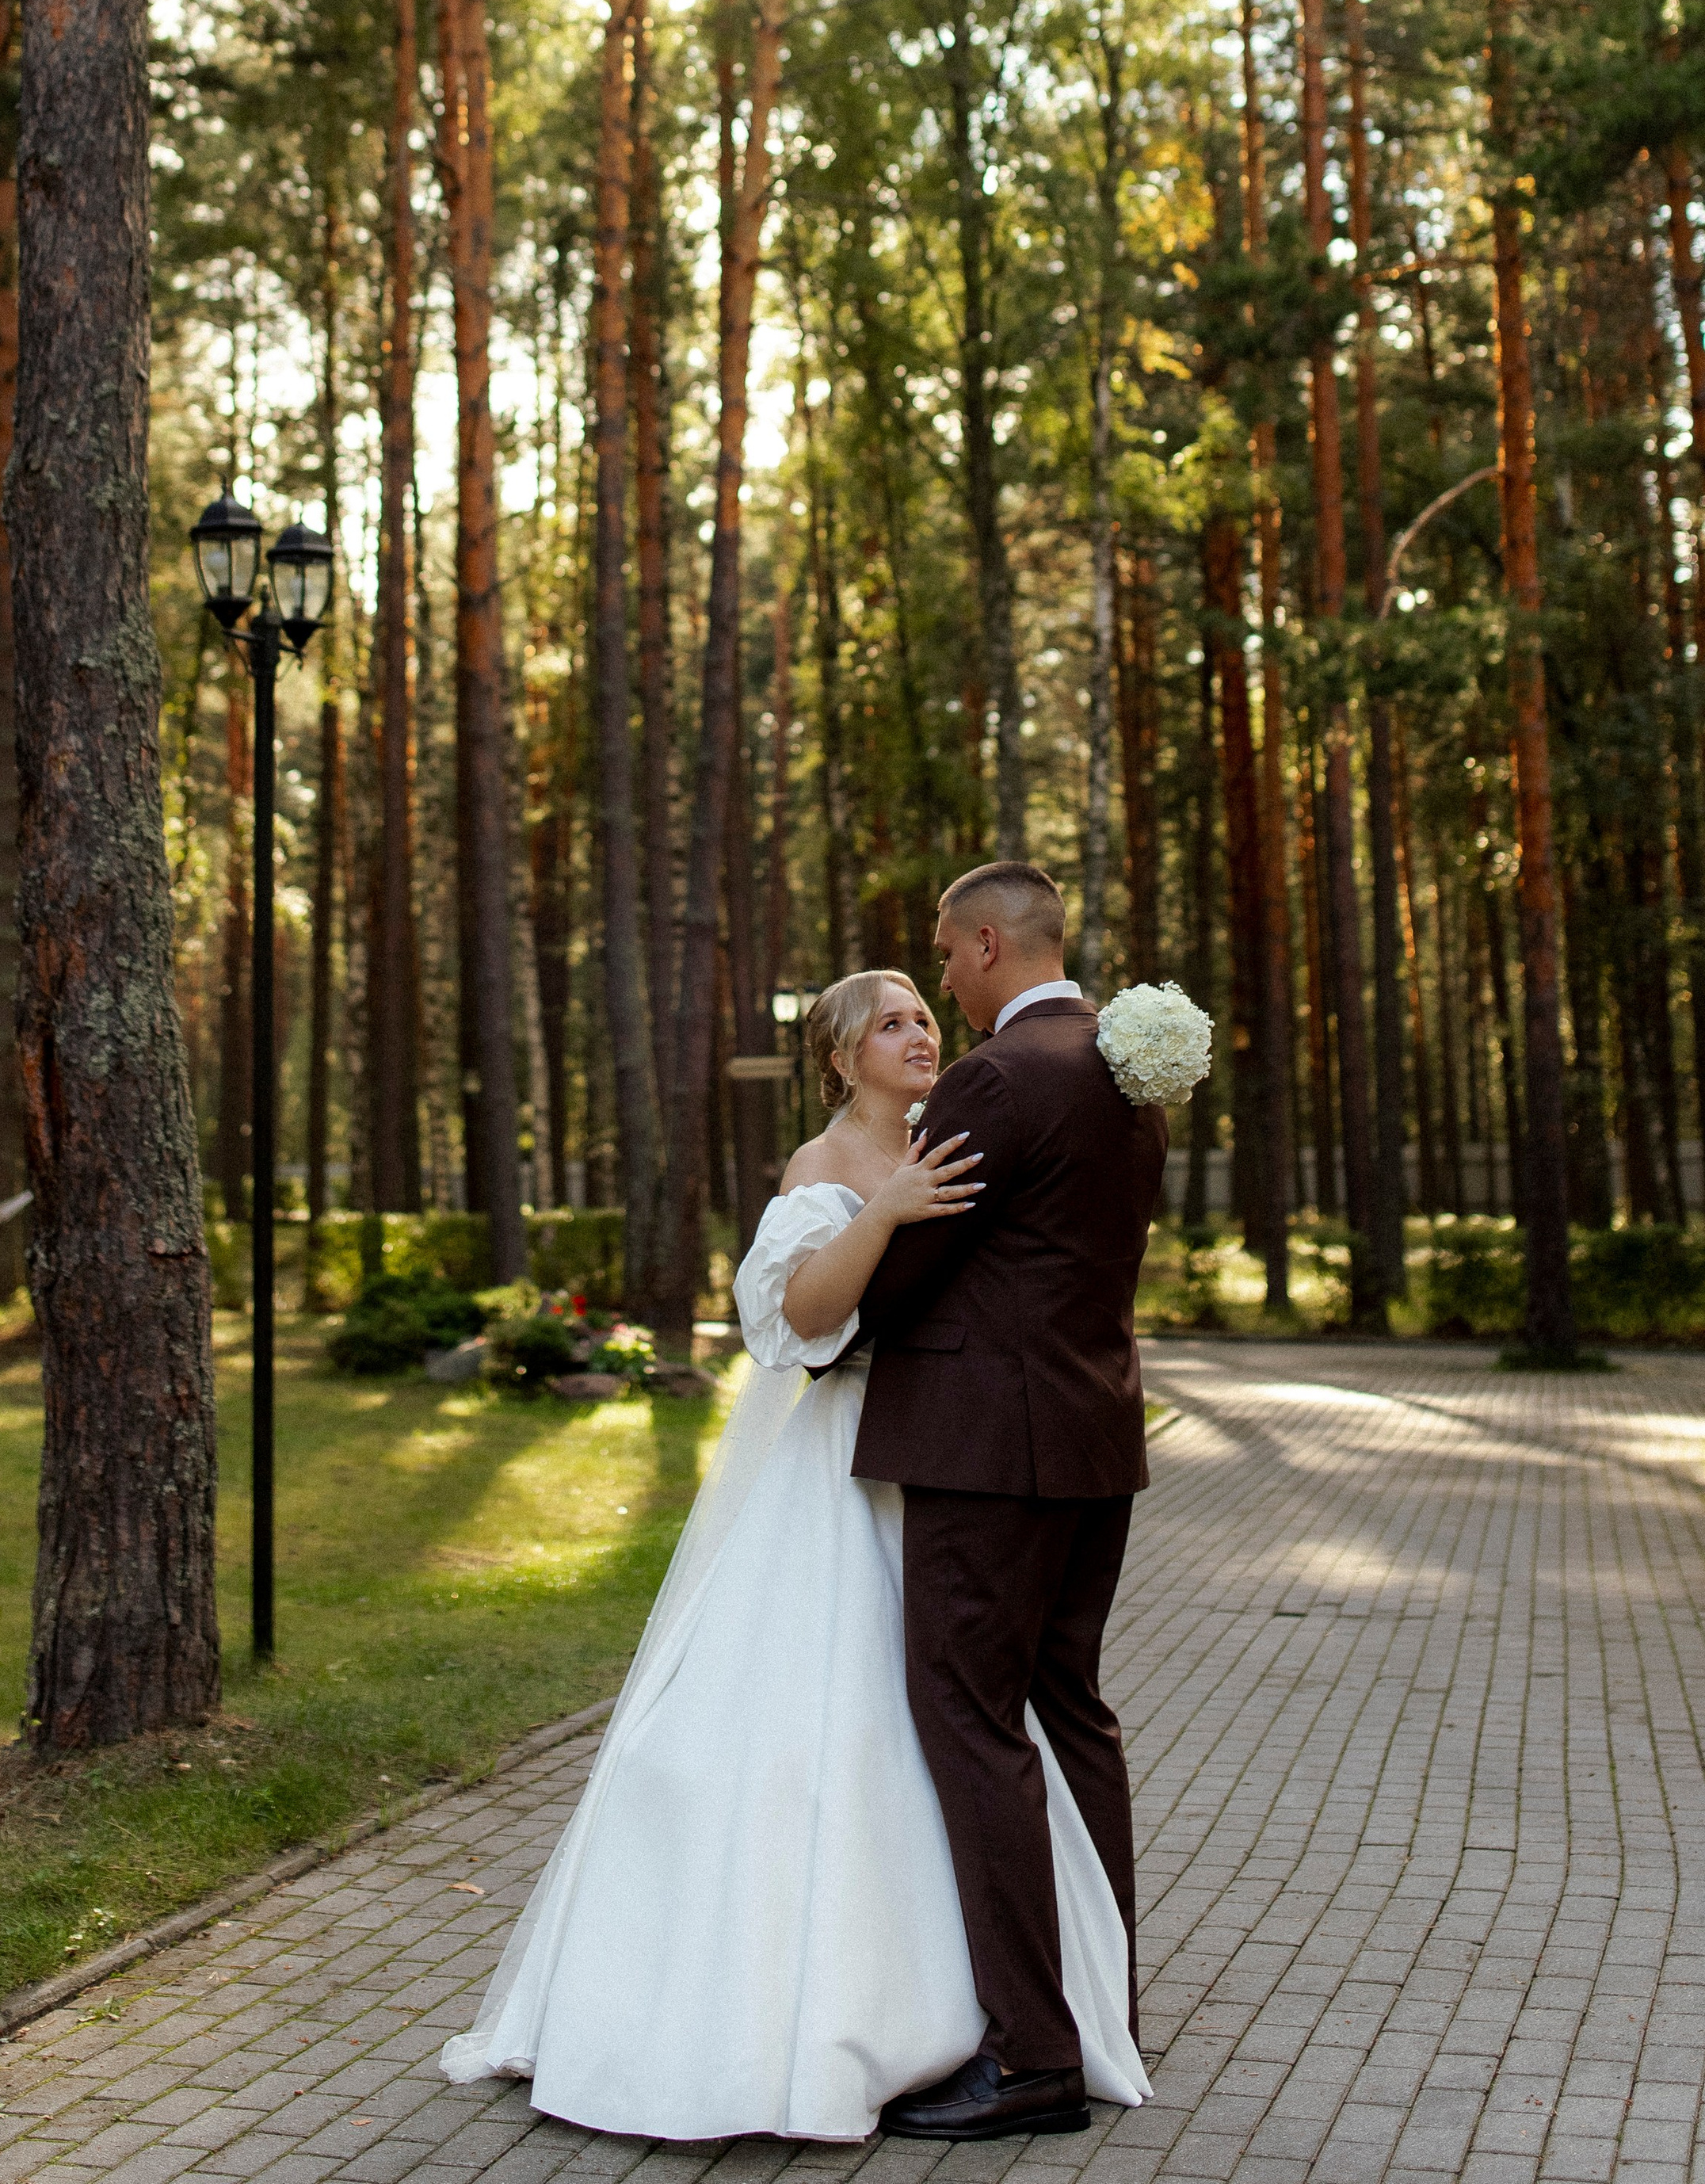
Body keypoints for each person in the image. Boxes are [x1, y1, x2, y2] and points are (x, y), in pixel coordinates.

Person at [437, 964, 1150, 2144]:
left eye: (926, 1014)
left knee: (945, 1726)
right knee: (818, 1728)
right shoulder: (823, 1172)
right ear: (839, 1059)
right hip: (837, 1475)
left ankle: (991, 2010)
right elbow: (803, 1323)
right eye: (892, 1024)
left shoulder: (961, 1136)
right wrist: (884, 1212)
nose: (921, 1033)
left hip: (938, 1471)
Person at [848, 861, 1169, 2145]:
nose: (936, 976)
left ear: (988, 944)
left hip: (991, 1454)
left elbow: (910, 1261)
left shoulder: (995, 1076)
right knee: (1071, 1715)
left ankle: (1032, 2055)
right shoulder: (1128, 1072)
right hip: (1095, 1437)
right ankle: (1100, 2010)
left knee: (968, 1720)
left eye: (943, 951)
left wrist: (835, 1291)